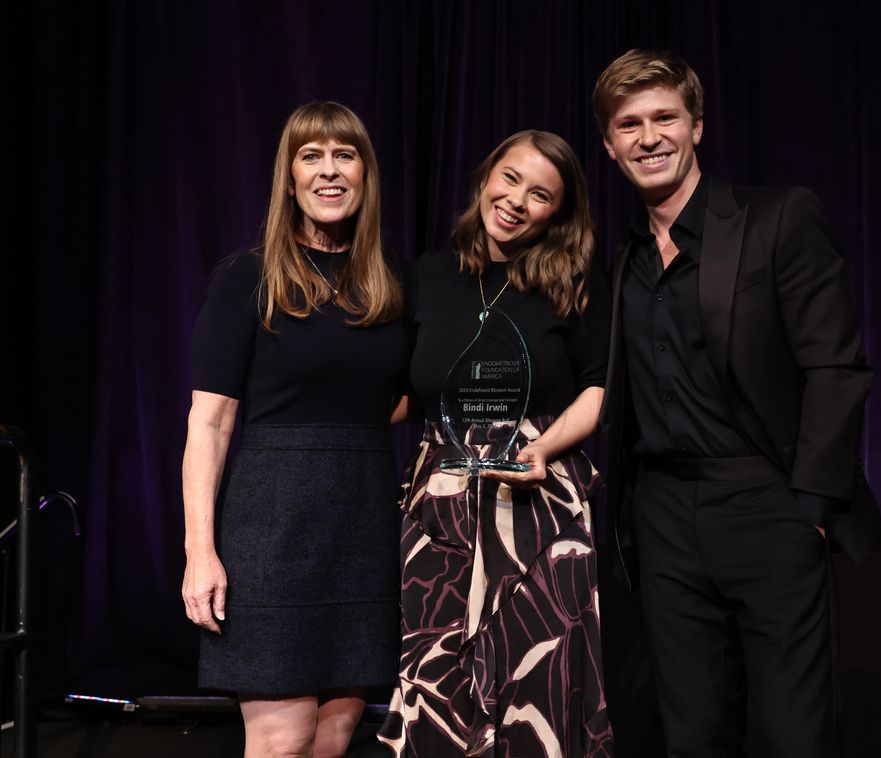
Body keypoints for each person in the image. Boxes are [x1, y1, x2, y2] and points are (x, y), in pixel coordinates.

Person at [593, 49, 881, 757]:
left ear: (697, 126)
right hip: (663, 516)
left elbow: (837, 368)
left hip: (767, 503)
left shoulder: (776, 219)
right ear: (609, 146)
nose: (648, 136)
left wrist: (809, 510)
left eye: (665, 117)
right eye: (629, 124)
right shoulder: (623, 261)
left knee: (794, 732)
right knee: (692, 734)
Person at [181, 101, 408, 758]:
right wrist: (201, 551)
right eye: (312, 156)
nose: (329, 171)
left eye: (345, 155)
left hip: (361, 518)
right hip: (272, 524)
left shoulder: (390, 283)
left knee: (334, 735)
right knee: (282, 737)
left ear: (366, 174)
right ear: (289, 177)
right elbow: (210, 424)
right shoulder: (247, 279)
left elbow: (399, 396)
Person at [378, 130, 615, 757]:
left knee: (534, 684)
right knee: (439, 679)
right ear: (486, 177)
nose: (516, 201)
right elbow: (408, 391)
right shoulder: (429, 274)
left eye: (540, 194)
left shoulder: (574, 279)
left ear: (558, 213)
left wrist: (543, 448)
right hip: (441, 507)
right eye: (509, 179)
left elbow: (598, 388)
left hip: (540, 505)